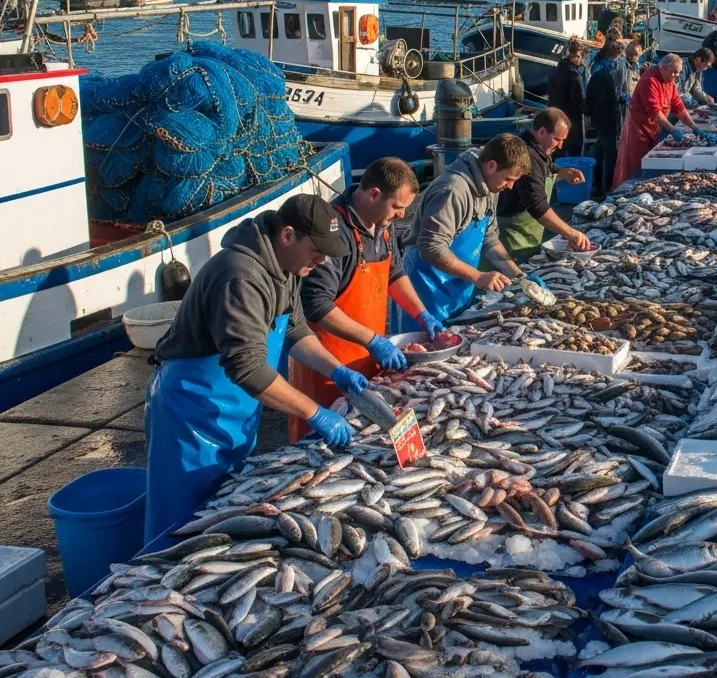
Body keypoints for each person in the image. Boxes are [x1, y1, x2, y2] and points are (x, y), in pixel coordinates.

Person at [145, 194, 361, 540]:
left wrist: (337, 370)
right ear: (287, 235)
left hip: (234, 408)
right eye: (316, 250)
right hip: (192, 407)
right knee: (181, 520)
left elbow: (293, 328)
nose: (321, 261)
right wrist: (314, 412)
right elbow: (245, 368)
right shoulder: (240, 276)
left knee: (226, 507)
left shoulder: (289, 266)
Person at [293, 159, 431, 443]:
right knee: (321, 443)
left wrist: (421, 314)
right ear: (374, 194)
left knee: (365, 439)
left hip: (366, 358)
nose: (403, 214)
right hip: (326, 365)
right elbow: (316, 305)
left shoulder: (384, 224)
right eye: (397, 207)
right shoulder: (332, 231)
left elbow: (393, 273)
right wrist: (372, 340)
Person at [403, 134, 533, 323]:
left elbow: (489, 237)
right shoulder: (452, 190)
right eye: (508, 179)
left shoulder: (491, 186)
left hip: (458, 284)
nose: (511, 187)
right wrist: (479, 276)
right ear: (491, 165)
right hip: (426, 286)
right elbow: (431, 248)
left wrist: (519, 277)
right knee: (422, 346)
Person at [496, 108, 592, 261]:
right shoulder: (529, 156)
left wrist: (564, 172)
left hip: (527, 233)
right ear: (542, 132)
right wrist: (570, 233)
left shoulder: (539, 149)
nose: (560, 146)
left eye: (562, 140)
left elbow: (547, 168)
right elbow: (537, 205)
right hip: (514, 237)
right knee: (514, 275)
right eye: (557, 139)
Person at [613, 54, 717, 187]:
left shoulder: (669, 81)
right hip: (638, 130)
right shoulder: (649, 81)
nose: (676, 76)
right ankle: (623, 192)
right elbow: (655, 113)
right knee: (634, 166)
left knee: (650, 164)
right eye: (674, 72)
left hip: (654, 129)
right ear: (664, 68)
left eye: (678, 73)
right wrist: (672, 129)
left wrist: (694, 128)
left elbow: (678, 106)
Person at [585, 39, 627, 198]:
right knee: (610, 153)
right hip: (606, 119)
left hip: (599, 118)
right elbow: (608, 99)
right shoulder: (605, 74)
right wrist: (620, 98)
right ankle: (607, 187)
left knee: (600, 150)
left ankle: (596, 184)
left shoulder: (597, 70)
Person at [547, 37, 588, 156]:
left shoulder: (554, 71)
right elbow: (579, 103)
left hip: (554, 120)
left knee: (556, 155)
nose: (582, 60)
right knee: (573, 157)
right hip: (571, 125)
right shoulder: (574, 76)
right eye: (582, 57)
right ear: (577, 56)